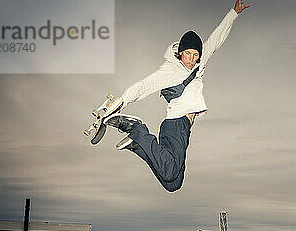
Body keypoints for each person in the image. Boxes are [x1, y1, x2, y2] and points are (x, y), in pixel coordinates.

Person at [100, 0, 250, 192]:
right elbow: (145, 85)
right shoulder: (170, 70)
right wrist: (122, 101)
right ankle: (136, 129)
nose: (192, 59)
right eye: (188, 54)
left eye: (196, 55)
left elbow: (216, 39)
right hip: (177, 124)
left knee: (173, 183)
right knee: (170, 171)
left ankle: (137, 146)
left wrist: (233, 14)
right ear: (180, 52)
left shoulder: (199, 64)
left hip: (178, 127)